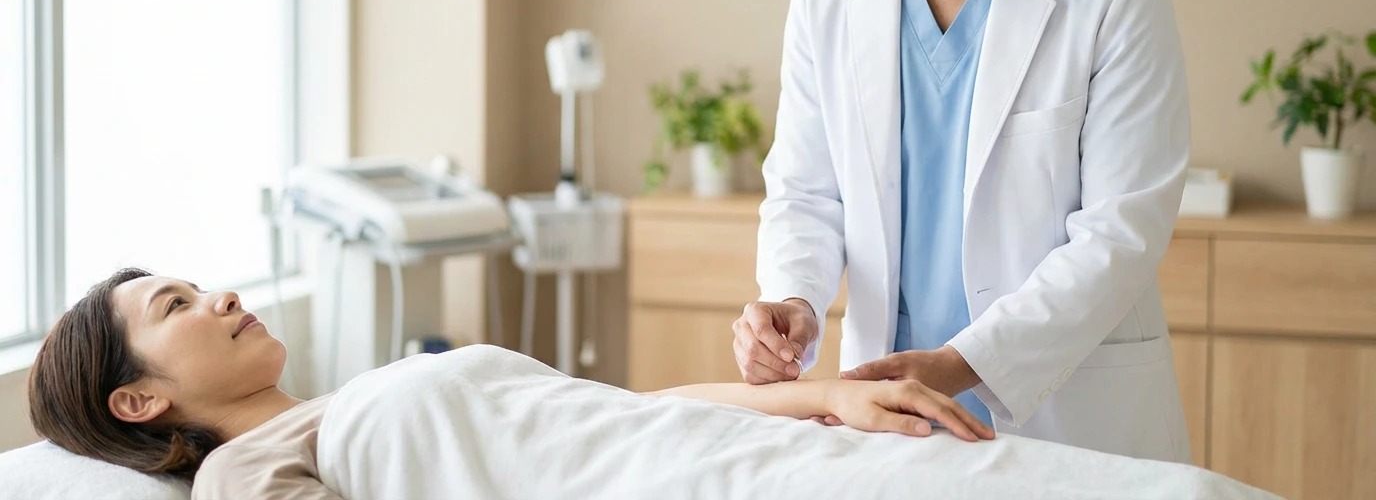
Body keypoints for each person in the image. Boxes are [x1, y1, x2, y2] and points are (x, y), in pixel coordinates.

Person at [732, 0, 1192, 462]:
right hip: (888, 409)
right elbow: (805, 191)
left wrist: (963, 363)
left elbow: (1120, 235)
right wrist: (792, 301)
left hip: (1068, 416)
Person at [27, 268, 991, 499]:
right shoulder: (245, 471)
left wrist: (825, 399)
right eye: (177, 306)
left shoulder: (352, 404)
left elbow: (622, 420)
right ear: (139, 400)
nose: (222, 294)